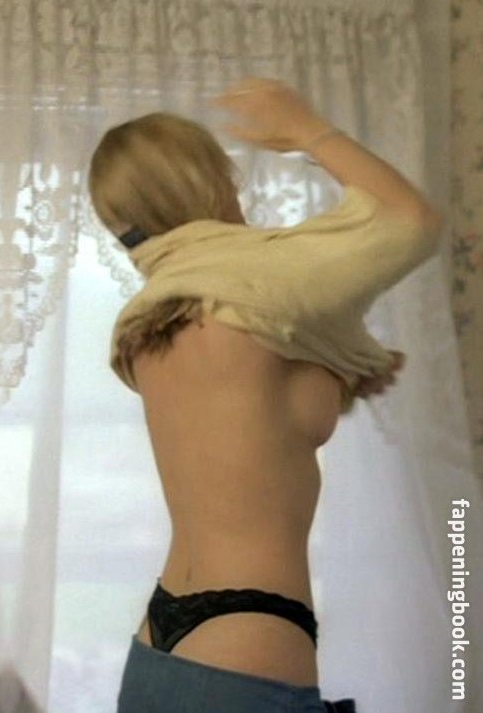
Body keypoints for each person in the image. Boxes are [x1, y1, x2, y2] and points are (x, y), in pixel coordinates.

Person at [88, 77, 442, 713]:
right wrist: (305, 128)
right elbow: (410, 221)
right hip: (248, 636)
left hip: (160, 644)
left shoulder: (150, 322)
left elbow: (258, 418)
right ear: (213, 181)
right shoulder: (264, 279)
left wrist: (344, 374)